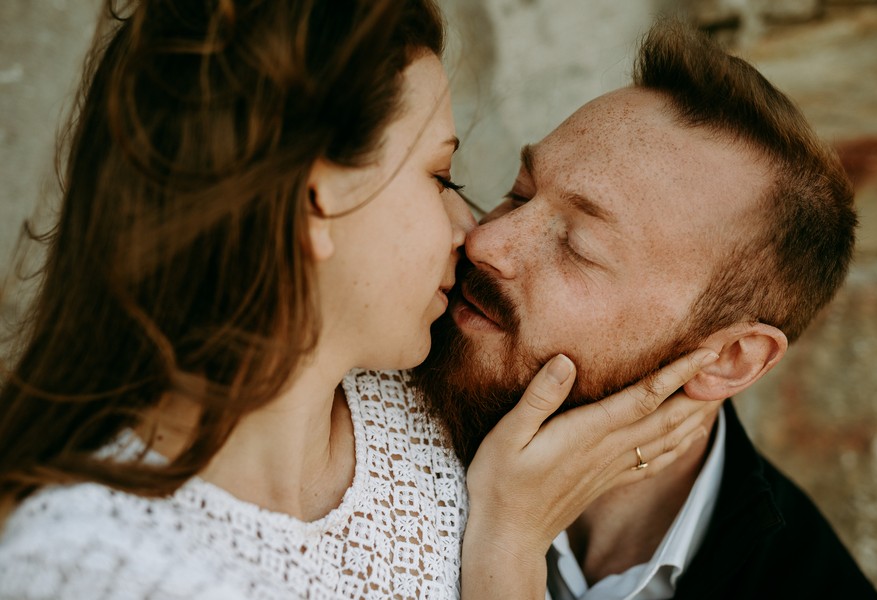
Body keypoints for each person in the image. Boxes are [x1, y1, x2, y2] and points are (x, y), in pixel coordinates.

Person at [0, 2, 717, 599]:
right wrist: (509, 549)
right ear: (315, 200)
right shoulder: (89, 566)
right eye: (438, 175)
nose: (472, 231)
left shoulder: (421, 404)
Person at [414, 20, 877, 600]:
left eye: (578, 248)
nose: (488, 243)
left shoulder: (806, 587)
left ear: (728, 359)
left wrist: (507, 540)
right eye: (521, 191)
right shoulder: (390, 389)